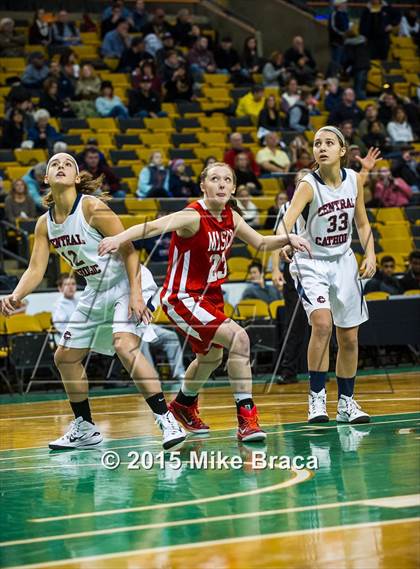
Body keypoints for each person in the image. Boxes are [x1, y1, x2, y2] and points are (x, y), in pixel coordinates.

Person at [98, 162, 311, 442]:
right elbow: (154, 226)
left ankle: (184, 405)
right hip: (182, 297)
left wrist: (289, 238)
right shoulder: (192, 216)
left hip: (209, 297)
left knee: (211, 357)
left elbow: (259, 242)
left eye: (227, 179)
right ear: (203, 186)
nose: (221, 184)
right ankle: (247, 418)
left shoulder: (231, 217)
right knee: (240, 339)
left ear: (234, 188)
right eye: (214, 179)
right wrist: (119, 237)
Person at [0, 152, 186, 451]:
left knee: (125, 345)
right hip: (95, 290)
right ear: (46, 178)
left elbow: (129, 250)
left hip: (129, 282)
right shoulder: (43, 224)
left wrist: (137, 294)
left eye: (67, 164)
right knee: (64, 358)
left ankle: (166, 418)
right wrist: (15, 295)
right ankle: (85, 427)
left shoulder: (91, 207)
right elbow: (35, 269)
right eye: (54, 165)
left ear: (76, 178)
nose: (60, 167)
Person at [274, 126, 381, 424]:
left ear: (342, 150)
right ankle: (316, 398)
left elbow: (362, 222)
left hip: (343, 260)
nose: (322, 147)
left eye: (329, 143)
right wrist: (286, 239)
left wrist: (370, 253)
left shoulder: (354, 181)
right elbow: (288, 218)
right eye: (317, 143)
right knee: (321, 324)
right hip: (312, 262)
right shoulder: (308, 184)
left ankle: (346, 402)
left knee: (349, 337)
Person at [272, 176, 308, 383]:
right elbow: (276, 241)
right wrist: (275, 269)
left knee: (324, 321)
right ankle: (288, 370)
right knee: (294, 321)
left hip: (318, 263)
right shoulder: (286, 207)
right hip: (294, 265)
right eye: (299, 180)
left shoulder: (323, 201)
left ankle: (323, 369)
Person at [52, 273, 79, 345]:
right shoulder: (58, 305)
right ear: (60, 288)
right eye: (67, 284)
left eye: (73, 284)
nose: (71, 287)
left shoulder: (79, 302)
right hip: (67, 342)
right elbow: (61, 328)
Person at [328, 0, 352, 76]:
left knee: (344, 60)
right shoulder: (334, 14)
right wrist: (342, 34)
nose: (346, 5)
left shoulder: (345, 14)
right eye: (344, 3)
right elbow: (332, 27)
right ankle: (333, 76)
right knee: (336, 61)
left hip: (345, 42)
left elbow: (347, 26)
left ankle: (342, 75)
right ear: (339, 5)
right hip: (336, 42)